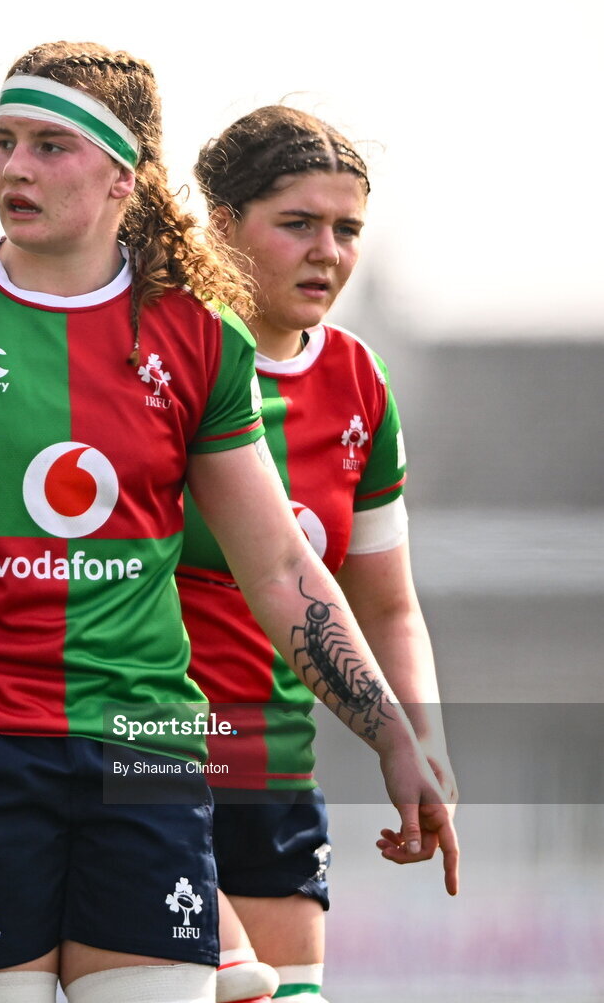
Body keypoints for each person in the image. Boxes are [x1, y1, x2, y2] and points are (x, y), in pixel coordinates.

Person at [0, 45, 458, 1003]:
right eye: (3, 142)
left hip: (150, 745)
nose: (14, 168)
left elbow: (280, 567)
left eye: (50, 146)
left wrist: (398, 734)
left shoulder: (198, 333)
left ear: (125, 173)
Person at [176, 104, 459, 1003]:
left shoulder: (358, 384)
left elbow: (386, 604)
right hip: (140, 754)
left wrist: (422, 741)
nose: (328, 252)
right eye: (298, 224)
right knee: (231, 990)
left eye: (347, 230)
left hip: (273, 760)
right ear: (222, 225)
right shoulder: (157, 355)